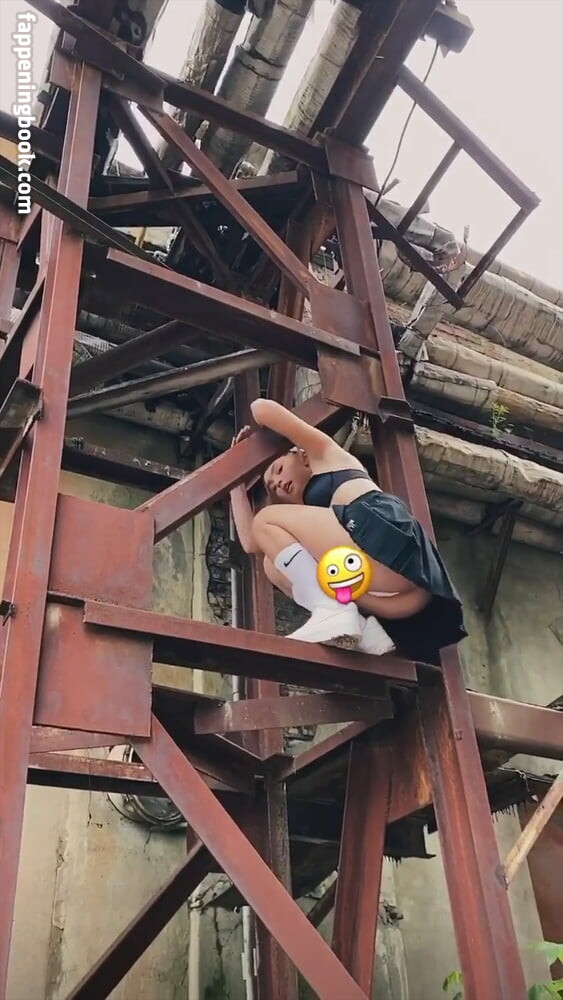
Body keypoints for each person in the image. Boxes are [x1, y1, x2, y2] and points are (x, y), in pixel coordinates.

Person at [229, 398, 467, 662]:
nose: (278, 482)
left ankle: (332, 611)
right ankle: (357, 624)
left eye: (279, 470)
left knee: (265, 520)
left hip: (387, 541)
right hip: (394, 593)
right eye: (273, 487)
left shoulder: (324, 454)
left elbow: (261, 408)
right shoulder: (317, 527)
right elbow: (251, 542)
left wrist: (246, 445)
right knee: (272, 565)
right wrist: (235, 485)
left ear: (300, 454)